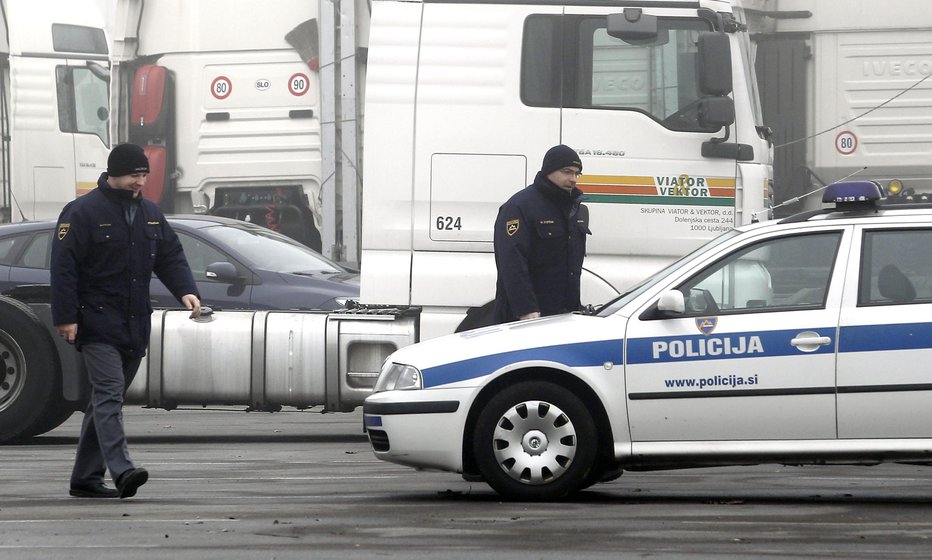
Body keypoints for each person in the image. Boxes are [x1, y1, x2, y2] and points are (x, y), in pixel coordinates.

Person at [51, 143, 202, 499]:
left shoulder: (150, 213)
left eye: (144, 175)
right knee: (108, 393)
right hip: (96, 322)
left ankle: (85, 478)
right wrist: (66, 317)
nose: (140, 182)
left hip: (134, 323)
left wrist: (186, 290)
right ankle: (122, 470)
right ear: (114, 173)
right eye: (135, 175)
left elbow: (170, 255)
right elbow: (63, 267)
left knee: (105, 400)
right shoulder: (82, 211)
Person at [493, 144, 590, 323]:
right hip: (527, 316)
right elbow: (512, 261)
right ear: (549, 170)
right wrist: (526, 309)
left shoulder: (574, 207)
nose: (573, 179)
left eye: (577, 173)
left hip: (564, 313)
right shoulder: (520, 206)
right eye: (567, 172)